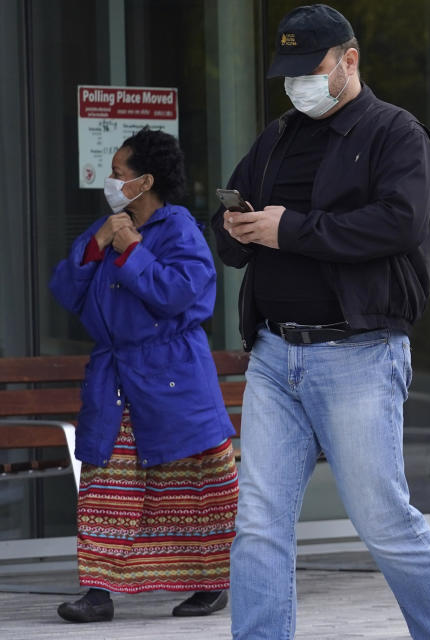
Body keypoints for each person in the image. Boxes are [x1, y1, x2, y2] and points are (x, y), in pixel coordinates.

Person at [210, 5, 430, 639]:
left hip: (359, 352)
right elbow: (241, 227)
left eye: (312, 69)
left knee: (382, 518)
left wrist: (288, 229)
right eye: (290, 73)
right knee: (259, 521)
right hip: (275, 352)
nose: (299, 84)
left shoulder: (396, 133)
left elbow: (399, 224)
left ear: (349, 61)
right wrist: (238, 230)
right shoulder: (276, 137)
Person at [49, 128, 238, 623]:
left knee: (195, 486)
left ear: (145, 181)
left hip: (171, 375)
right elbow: (66, 289)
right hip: (115, 377)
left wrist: (133, 249)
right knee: (106, 482)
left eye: (119, 173)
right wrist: (98, 244)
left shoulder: (180, 230)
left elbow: (180, 294)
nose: (111, 182)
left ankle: (209, 584)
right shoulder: (111, 225)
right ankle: (97, 592)